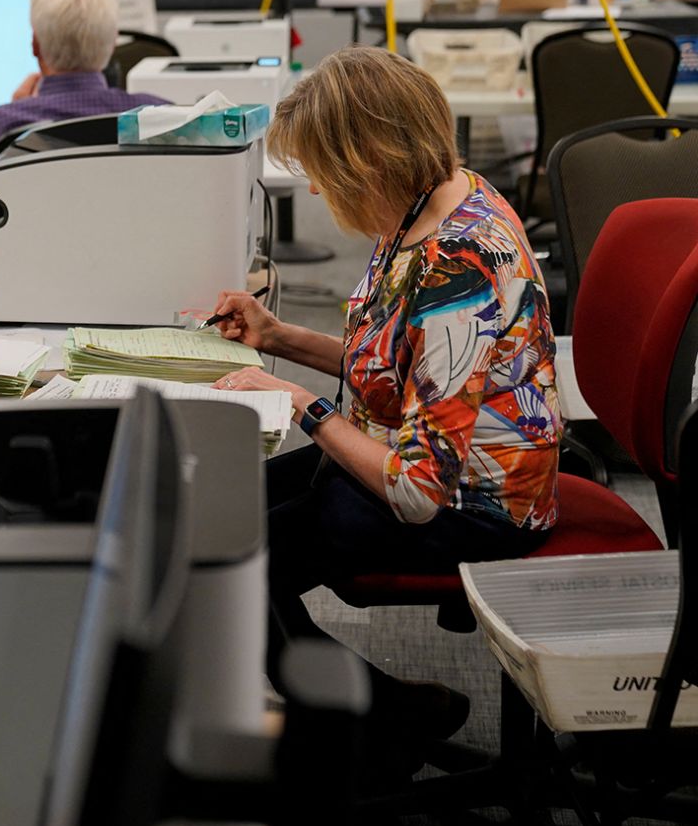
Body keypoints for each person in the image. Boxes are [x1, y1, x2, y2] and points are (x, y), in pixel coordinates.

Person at [209, 47, 560, 776]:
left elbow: (418, 491)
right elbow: (397, 368)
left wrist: (301, 406)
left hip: (476, 502)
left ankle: (371, 721)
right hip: (415, 449)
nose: (315, 187)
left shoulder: (455, 265)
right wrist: (279, 337)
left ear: (369, 161)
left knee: (239, 565)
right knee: (218, 519)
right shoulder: (429, 204)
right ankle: (382, 714)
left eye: (322, 172)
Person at [0, 0, 165, 225]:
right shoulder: (159, 117)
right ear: (112, 43)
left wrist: (17, 118)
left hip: (23, 264)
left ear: (35, 44)